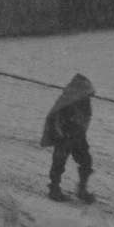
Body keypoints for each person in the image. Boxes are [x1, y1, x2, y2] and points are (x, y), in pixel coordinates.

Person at [40, 73, 97, 204]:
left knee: (86, 161)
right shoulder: (66, 100)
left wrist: (81, 135)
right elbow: (55, 119)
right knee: (59, 164)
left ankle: (82, 189)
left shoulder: (85, 101)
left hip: (77, 136)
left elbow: (85, 119)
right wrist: (61, 136)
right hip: (64, 137)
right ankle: (54, 188)